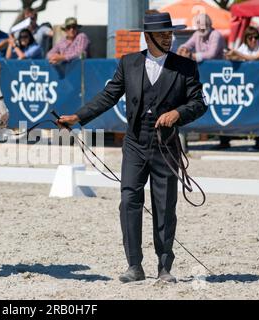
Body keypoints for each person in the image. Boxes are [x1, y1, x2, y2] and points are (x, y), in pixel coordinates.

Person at [56, 12, 207, 283]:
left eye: (169, 34)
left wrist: (178, 114)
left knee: (164, 206)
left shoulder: (185, 67)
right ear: (148, 37)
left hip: (166, 146)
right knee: (129, 201)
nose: (168, 38)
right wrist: (78, 117)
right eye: (162, 34)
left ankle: (164, 267)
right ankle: (134, 265)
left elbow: (199, 103)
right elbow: (108, 96)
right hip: (135, 144)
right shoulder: (129, 63)